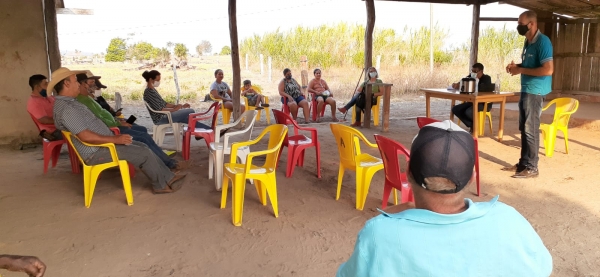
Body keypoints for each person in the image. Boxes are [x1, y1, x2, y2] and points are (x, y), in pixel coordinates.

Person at [336, 120, 553, 277]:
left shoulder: (379, 235)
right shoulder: (509, 221)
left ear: (408, 171)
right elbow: (544, 269)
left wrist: (395, 216)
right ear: (472, 178)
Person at [51, 67, 187, 194]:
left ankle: (167, 177)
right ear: (67, 84)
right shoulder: (68, 108)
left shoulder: (70, 104)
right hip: (97, 151)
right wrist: (114, 138)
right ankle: (161, 185)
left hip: (103, 144)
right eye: (76, 81)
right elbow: (85, 136)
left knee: (143, 145)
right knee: (143, 152)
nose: (79, 85)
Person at [75, 73, 183, 172]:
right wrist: (118, 122)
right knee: (143, 136)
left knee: (139, 125)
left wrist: (117, 117)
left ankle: (162, 158)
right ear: (82, 84)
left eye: (96, 85)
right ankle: (166, 162)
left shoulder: (93, 99)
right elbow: (99, 119)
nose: (95, 87)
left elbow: (107, 113)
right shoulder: (84, 101)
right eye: (91, 83)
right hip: (113, 128)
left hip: (115, 121)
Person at [505, 10, 554, 179]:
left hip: (536, 91)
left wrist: (521, 70)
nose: (518, 26)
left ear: (531, 24)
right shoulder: (528, 41)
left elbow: (548, 69)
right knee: (524, 128)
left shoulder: (543, 42)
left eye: (521, 24)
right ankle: (523, 163)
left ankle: (533, 167)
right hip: (527, 89)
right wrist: (516, 67)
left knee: (530, 128)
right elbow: (529, 65)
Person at [142, 70, 211, 133]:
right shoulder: (149, 92)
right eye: (157, 80)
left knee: (188, 118)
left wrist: (179, 106)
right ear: (151, 80)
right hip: (161, 118)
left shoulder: (153, 90)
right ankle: (207, 131)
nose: (159, 82)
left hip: (164, 115)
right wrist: (175, 109)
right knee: (190, 111)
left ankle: (207, 130)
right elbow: (160, 109)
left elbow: (164, 104)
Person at [451, 63, 493, 132]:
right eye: (472, 71)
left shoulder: (487, 78)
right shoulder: (471, 77)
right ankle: (473, 125)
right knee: (455, 109)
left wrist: (474, 82)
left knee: (469, 112)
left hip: (483, 103)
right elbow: (462, 81)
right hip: (472, 102)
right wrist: (457, 84)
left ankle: (474, 127)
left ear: (481, 72)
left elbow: (484, 88)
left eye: (475, 71)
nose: (473, 73)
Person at [27, 74, 62, 141]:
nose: (48, 86)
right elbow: (44, 120)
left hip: (60, 127)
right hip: (53, 132)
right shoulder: (33, 102)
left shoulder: (49, 97)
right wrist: (63, 121)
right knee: (80, 131)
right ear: (37, 87)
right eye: (45, 84)